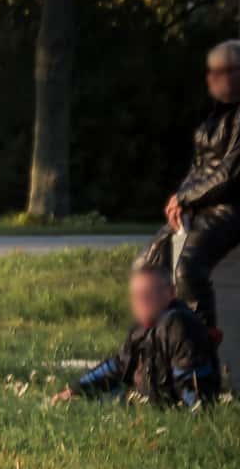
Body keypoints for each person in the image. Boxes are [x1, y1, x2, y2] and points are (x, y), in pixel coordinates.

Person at [139, 39, 240, 339]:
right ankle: (158, 347)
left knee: (186, 266)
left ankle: (200, 348)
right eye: (211, 71)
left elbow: (231, 173)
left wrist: (185, 197)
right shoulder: (213, 117)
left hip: (232, 206)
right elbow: (198, 170)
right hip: (201, 205)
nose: (212, 78)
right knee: (150, 263)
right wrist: (179, 201)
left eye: (221, 71)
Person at [55, 262, 219, 408]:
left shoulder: (178, 325)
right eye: (136, 296)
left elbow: (194, 392)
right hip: (143, 403)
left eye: (147, 294)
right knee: (84, 406)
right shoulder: (142, 329)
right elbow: (118, 366)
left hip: (165, 413)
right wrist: (76, 389)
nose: (141, 302)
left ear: (170, 292)